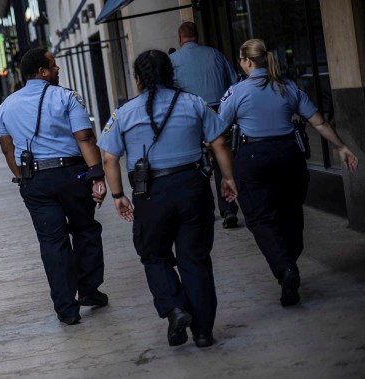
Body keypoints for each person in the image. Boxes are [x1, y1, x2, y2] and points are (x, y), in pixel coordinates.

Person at [98, 50, 237, 348]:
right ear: (170, 74)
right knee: (195, 259)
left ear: (138, 79)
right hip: (193, 187)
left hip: (150, 193)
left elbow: (109, 157)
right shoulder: (194, 102)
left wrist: (118, 195)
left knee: (154, 255)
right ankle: (202, 333)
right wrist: (228, 178)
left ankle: (174, 308)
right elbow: (220, 141)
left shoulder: (123, 113)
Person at [219, 39, 359, 307]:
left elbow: (218, 130)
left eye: (240, 59)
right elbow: (319, 121)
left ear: (248, 62)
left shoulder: (236, 93)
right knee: (291, 213)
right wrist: (341, 147)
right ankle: (288, 264)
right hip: (289, 156)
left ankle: (285, 269)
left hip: (253, 159)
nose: (240, 64)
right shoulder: (288, 87)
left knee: (259, 218)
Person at [0, 47, 108, 326]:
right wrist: (97, 174)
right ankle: (90, 291)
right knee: (85, 230)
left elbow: (7, 149)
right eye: (53, 66)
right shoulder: (66, 96)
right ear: (43, 72)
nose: (58, 69)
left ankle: (66, 309)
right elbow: (84, 137)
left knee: (52, 243)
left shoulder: (7, 105)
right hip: (72, 175)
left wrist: (22, 176)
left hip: (34, 179)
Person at [170, 21, 240, 228]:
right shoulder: (216, 54)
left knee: (197, 164)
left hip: (189, 116)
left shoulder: (171, 60)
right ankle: (228, 209)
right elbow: (234, 83)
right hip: (219, 114)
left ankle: (206, 211)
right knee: (221, 158)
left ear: (179, 39)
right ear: (197, 36)